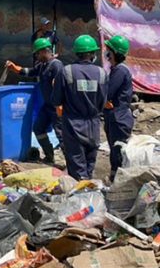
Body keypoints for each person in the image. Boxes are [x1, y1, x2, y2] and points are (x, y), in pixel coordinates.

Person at [52, 35, 108, 181]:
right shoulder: (102, 73)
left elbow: (56, 100)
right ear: (92, 54)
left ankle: (80, 198)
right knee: (89, 167)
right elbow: (103, 101)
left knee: (77, 171)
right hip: (93, 126)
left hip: (73, 126)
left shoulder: (66, 72)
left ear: (77, 52)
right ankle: (89, 197)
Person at [6, 38, 64, 164]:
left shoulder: (56, 65)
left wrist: (59, 105)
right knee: (38, 128)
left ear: (44, 51)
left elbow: (61, 87)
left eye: (38, 53)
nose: (36, 56)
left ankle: (72, 162)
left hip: (56, 107)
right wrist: (14, 68)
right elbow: (30, 72)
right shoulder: (43, 66)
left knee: (62, 134)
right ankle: (49, 156)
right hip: (47, 106)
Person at [103, 35, 133, 181]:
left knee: (118, 153)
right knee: (115, 152)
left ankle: (118, 182)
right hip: (115, 116)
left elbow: (107, 93)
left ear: (114, 53)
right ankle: (115, 181)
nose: (106, 53)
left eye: (108, 51)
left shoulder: (120, 71)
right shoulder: (117, 70)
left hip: (119, 118)